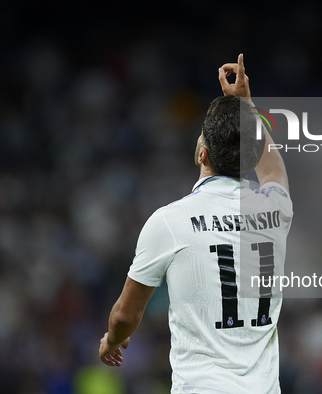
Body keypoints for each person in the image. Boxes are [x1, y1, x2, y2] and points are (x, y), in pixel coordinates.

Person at [98, 54, 292, 394]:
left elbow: (125, 315)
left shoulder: (170, 221)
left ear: (202, 153)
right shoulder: (276, 210)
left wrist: (113, 340)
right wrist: (245, 105)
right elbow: (273, 170)